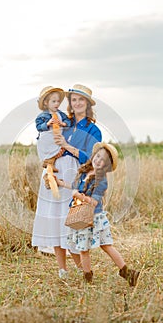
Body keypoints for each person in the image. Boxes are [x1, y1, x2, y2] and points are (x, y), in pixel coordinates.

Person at [32, 84, 102, 278]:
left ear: (87, 104)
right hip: (56, 172)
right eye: (74, 99)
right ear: (70, 103)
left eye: (81, 100)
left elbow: (93, 158)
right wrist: (47, 163)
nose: (77, 103)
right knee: (55, 220)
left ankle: (83, 269)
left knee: (69, 222)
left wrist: (68, 147)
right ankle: (62, 269)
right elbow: (44, 139)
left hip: (74, 176)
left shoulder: (92, 129)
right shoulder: (64, 120)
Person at [55, 142, 140, 286]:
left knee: (100, 246)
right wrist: (62, 184)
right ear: (94, 155)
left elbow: (93, 202)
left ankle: (127, 272)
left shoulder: (101, 181)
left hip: (93, 217)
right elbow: (76, 187)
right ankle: (88, 276)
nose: (98, 160)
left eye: (103, 160)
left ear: (106, 166)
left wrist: (78, 195)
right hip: (81, 213)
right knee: (85, 249)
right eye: (98, 156)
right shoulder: (83, 172)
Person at [35, 86, 71, 174]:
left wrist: (63, 124)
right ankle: (48, 163)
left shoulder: (60, 114)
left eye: (58, 101)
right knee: (50, 150)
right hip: (48, 138)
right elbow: (38, 126)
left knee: (60, 149)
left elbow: (67, 121)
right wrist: (47, 124)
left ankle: (50, 164)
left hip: (56, 137)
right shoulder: (43, 115)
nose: (57, 104)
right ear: (46, 103)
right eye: (53, 101)